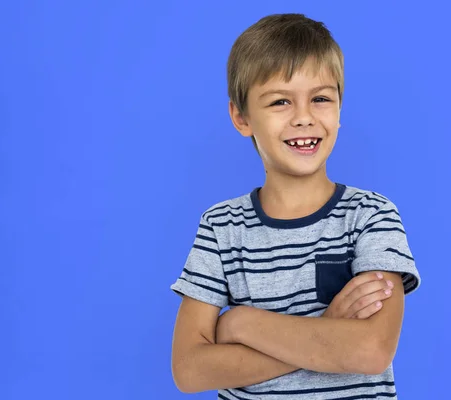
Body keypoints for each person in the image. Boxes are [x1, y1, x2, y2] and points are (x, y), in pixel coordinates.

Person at [169, 13, 421, 399]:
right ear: (242, 117)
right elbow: (189, 370)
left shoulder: (372, 217)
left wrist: (242, 324)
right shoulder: (221, 227)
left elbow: (369, 350)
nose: (304, 117)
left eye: (320, 98)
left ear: (339, 109)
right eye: (280, 101)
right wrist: (329, 327)